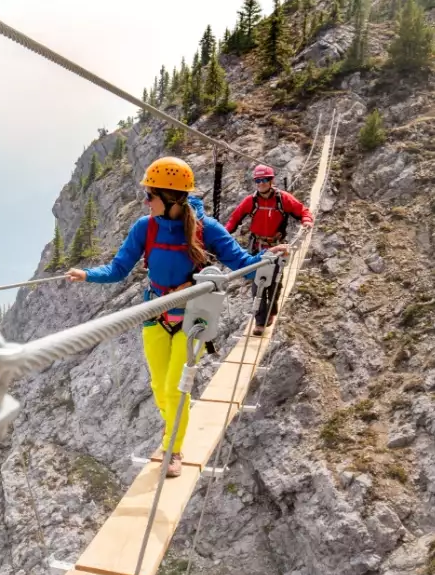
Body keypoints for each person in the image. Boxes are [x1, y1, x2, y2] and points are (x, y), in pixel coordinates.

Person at [66, 156, 288, 478]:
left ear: (169, 198)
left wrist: (265, 260)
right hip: (156, 315)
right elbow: (117, 269)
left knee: (174, 388)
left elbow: (240, 261)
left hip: (193, 317)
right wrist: (86, 275)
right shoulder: (145, 227)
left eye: (150, 195)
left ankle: (174, 448)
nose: (145, 202)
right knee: (159, 386)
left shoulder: (205, 229)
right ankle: (173, 427)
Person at [224, 164, 313, 336]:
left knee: (275, 284)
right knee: (258, 285)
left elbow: (302, 211)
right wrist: (221, 235)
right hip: (257, 247)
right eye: (258, 180)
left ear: (272, 180)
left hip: (278, 246)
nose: (261, 183)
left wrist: (307, 220)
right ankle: (260, 322)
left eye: (265, 180)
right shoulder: (251, 201)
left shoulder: (283, 199)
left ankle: (272, 310)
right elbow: (234, 219)